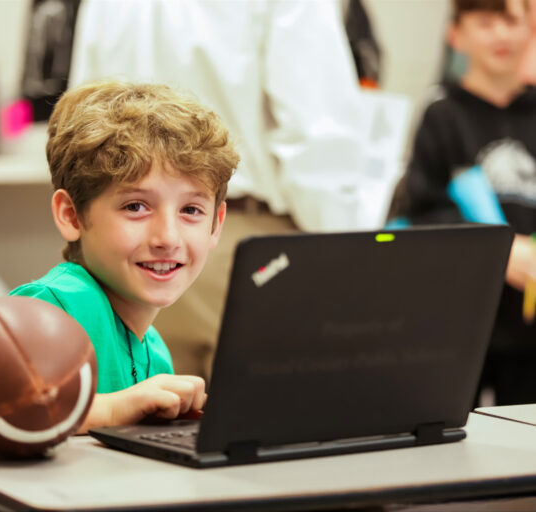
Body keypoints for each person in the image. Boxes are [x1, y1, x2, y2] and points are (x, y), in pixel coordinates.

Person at [0, 80, 239, 438]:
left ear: (216, 224)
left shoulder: (154, 350)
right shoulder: (58, 307)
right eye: (136, 206)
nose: (167, 237)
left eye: (191, 210)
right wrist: (109, 409)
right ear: (71, 215)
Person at [69, 0, 375, 379]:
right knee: (268, 428)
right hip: (246, 247)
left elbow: (80, 118)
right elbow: (318, 139)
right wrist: (348, 258)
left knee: (145, 427)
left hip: (126, 251)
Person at [391, 0, 536, 405]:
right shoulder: (441, 115)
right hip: (458, 321)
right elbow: (420, 213)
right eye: (485, 22)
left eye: (510, 20)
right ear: (456, 34)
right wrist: (499, 249)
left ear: (530, 27)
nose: (501, 35)